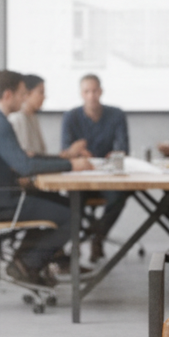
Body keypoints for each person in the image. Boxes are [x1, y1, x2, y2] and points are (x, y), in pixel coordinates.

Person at [0, 71, 92, 285]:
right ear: (8, 94)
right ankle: (27, 263)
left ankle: (26, 259)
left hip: (5, 196)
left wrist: (67, 161)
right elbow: (25, 166)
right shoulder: (1, 123)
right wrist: (71, 164)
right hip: (6, 201)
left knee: (65, 204)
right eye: (22, 94)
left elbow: (23, 160)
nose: (24, 99)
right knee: (72, 214)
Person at [60, 74, 129, 256]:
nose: (91, 95)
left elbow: (123, 148)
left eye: (94, 90)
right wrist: (76, 152)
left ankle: (97, 235)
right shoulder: (71, 116)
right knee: (73, 201)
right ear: (81, 94)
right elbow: (65, 152)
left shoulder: (116, 114)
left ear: (101, 91)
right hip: (82, 179)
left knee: (120, 196)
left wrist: (115, 155)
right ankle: (90, 237)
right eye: (86, 91)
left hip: (108, 177)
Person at [8, 74, 48, 156]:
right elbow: (26, 155)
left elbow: (41, 152)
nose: (44, 97)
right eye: (41, 92)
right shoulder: (18, 118)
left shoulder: (32, 116)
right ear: (27, 93)